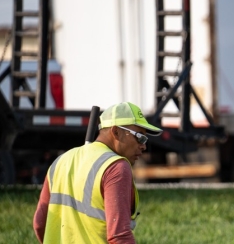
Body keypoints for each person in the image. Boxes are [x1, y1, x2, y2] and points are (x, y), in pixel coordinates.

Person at [33, 102, 161, 244]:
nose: (143, 145)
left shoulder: (61, 161)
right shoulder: (116, 167)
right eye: (139, 137)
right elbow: (119, 236)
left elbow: (39, 224)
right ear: (116, 132)